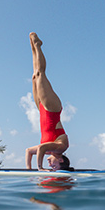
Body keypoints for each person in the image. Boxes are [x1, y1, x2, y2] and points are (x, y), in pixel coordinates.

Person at [25, 32, 71, 171]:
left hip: (42, 110)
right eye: (55, 165)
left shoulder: (51, 151)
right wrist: (40, 168)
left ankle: (33, 46)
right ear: (61, 160)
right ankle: (38, 45)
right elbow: (42, 147)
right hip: (52, 109)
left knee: (34, 76)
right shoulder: (61, 147)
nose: (50, 165)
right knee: (40, 74)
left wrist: (29, 171)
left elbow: (28, 151)